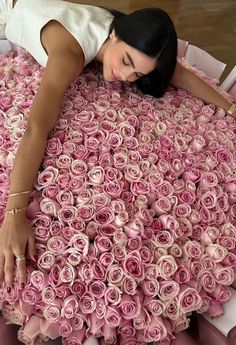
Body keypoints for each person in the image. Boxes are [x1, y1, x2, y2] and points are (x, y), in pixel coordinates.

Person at [0, 0, 235, 290]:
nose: (125, 78)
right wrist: (14, 214)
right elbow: (36, 128)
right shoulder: (70, 55)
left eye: (137, 74)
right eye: (126, 62)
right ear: (115, 35)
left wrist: (231, 109)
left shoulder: (120, 27)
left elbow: (178, 73)